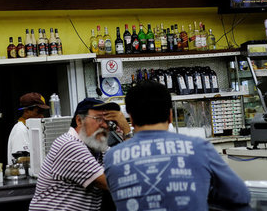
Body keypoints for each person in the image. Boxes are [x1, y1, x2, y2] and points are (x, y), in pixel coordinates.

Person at [104, 80, 251, 210]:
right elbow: (240, 195)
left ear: (132, 118)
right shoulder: (199, 147)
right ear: (170, 116)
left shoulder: (112, 157)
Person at [29, 97, 131, 211]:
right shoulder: (69, 145)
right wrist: (126, 130)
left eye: (108, 121)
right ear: (79, 121)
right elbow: (118, 183)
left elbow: (132, 168)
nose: (105, 125)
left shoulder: (98, 149)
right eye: (98, 119)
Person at [7, 92, 50, 164]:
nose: (42, 116)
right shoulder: (20, 130)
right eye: (38, 112)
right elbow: (21, 161)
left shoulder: (31, 128)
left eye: (43, 112)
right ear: (26, 111)